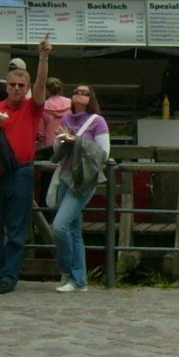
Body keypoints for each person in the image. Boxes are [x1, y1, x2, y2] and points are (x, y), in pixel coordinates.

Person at [0, 39, 51, 294]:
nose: (17, 89)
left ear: (27, 88)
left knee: (17, 229)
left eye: (21, 86)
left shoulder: (32, 108)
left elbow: (42, 85)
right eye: (13, 85)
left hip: (20, 172)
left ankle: (9, 276)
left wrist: (43, 58)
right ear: (5, 87)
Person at [49, 82, 110, 293]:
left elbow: (104, 153)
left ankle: (68, 270)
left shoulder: (97, 122)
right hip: (66, 176)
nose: (79, 95)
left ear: (91, 98)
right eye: (76, 91)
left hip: (83, 180)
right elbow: (58, 151)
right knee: (73, 230)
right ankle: (79, 279)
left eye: (85, 93)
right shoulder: (66, 118)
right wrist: (62, 140)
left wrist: (77, 141)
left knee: (59, 226)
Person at [36, 76, 72, 207]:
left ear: (47, 91)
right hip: (68, 144)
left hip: (49, 148)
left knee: (47, 181)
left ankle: (46, 211)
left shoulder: (43, 107)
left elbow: (40, 132)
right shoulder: (71, 104)